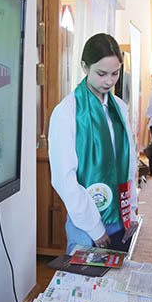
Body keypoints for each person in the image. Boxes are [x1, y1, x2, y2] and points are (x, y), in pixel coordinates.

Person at [48, 33, 139, 254]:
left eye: (115, 73)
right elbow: (64, 179)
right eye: (101, 73)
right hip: (86, 224)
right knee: (87, 272)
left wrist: (131, 211)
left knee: (118, 272)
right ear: (84, 67)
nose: (109, 81)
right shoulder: (67, 112)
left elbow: (127, 163)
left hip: (120, 216)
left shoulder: (119, 108)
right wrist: (94, 227)